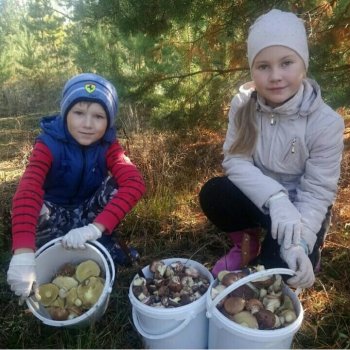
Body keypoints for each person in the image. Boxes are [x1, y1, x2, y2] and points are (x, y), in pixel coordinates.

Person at [199, 9, 344, 288]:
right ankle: (248, 241)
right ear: (252, 69)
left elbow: (317, 191)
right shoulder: (243, 105)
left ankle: (304, 247)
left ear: (303, 64)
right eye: (263, 66)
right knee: (215, 193)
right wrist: (275, 200)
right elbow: (236, 160)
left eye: (286, 62)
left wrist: (299, 242)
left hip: (301, 209)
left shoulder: (326, 123)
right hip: (263, 199)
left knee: (276, 276)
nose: (275, 76)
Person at [7, 73, 146, 298]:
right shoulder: (48, 144)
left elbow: (135, 184)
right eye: (79, 113)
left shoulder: (108, 146)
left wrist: (95, 228)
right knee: (34, 203)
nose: (88, 124)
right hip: (55, 214)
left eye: (99, 116)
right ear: (65, 114)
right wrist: (22, 251)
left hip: (89, 214)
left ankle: (102, 241)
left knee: (117, 186)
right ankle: (46, 251)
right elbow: (28, 190)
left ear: (108, 121)